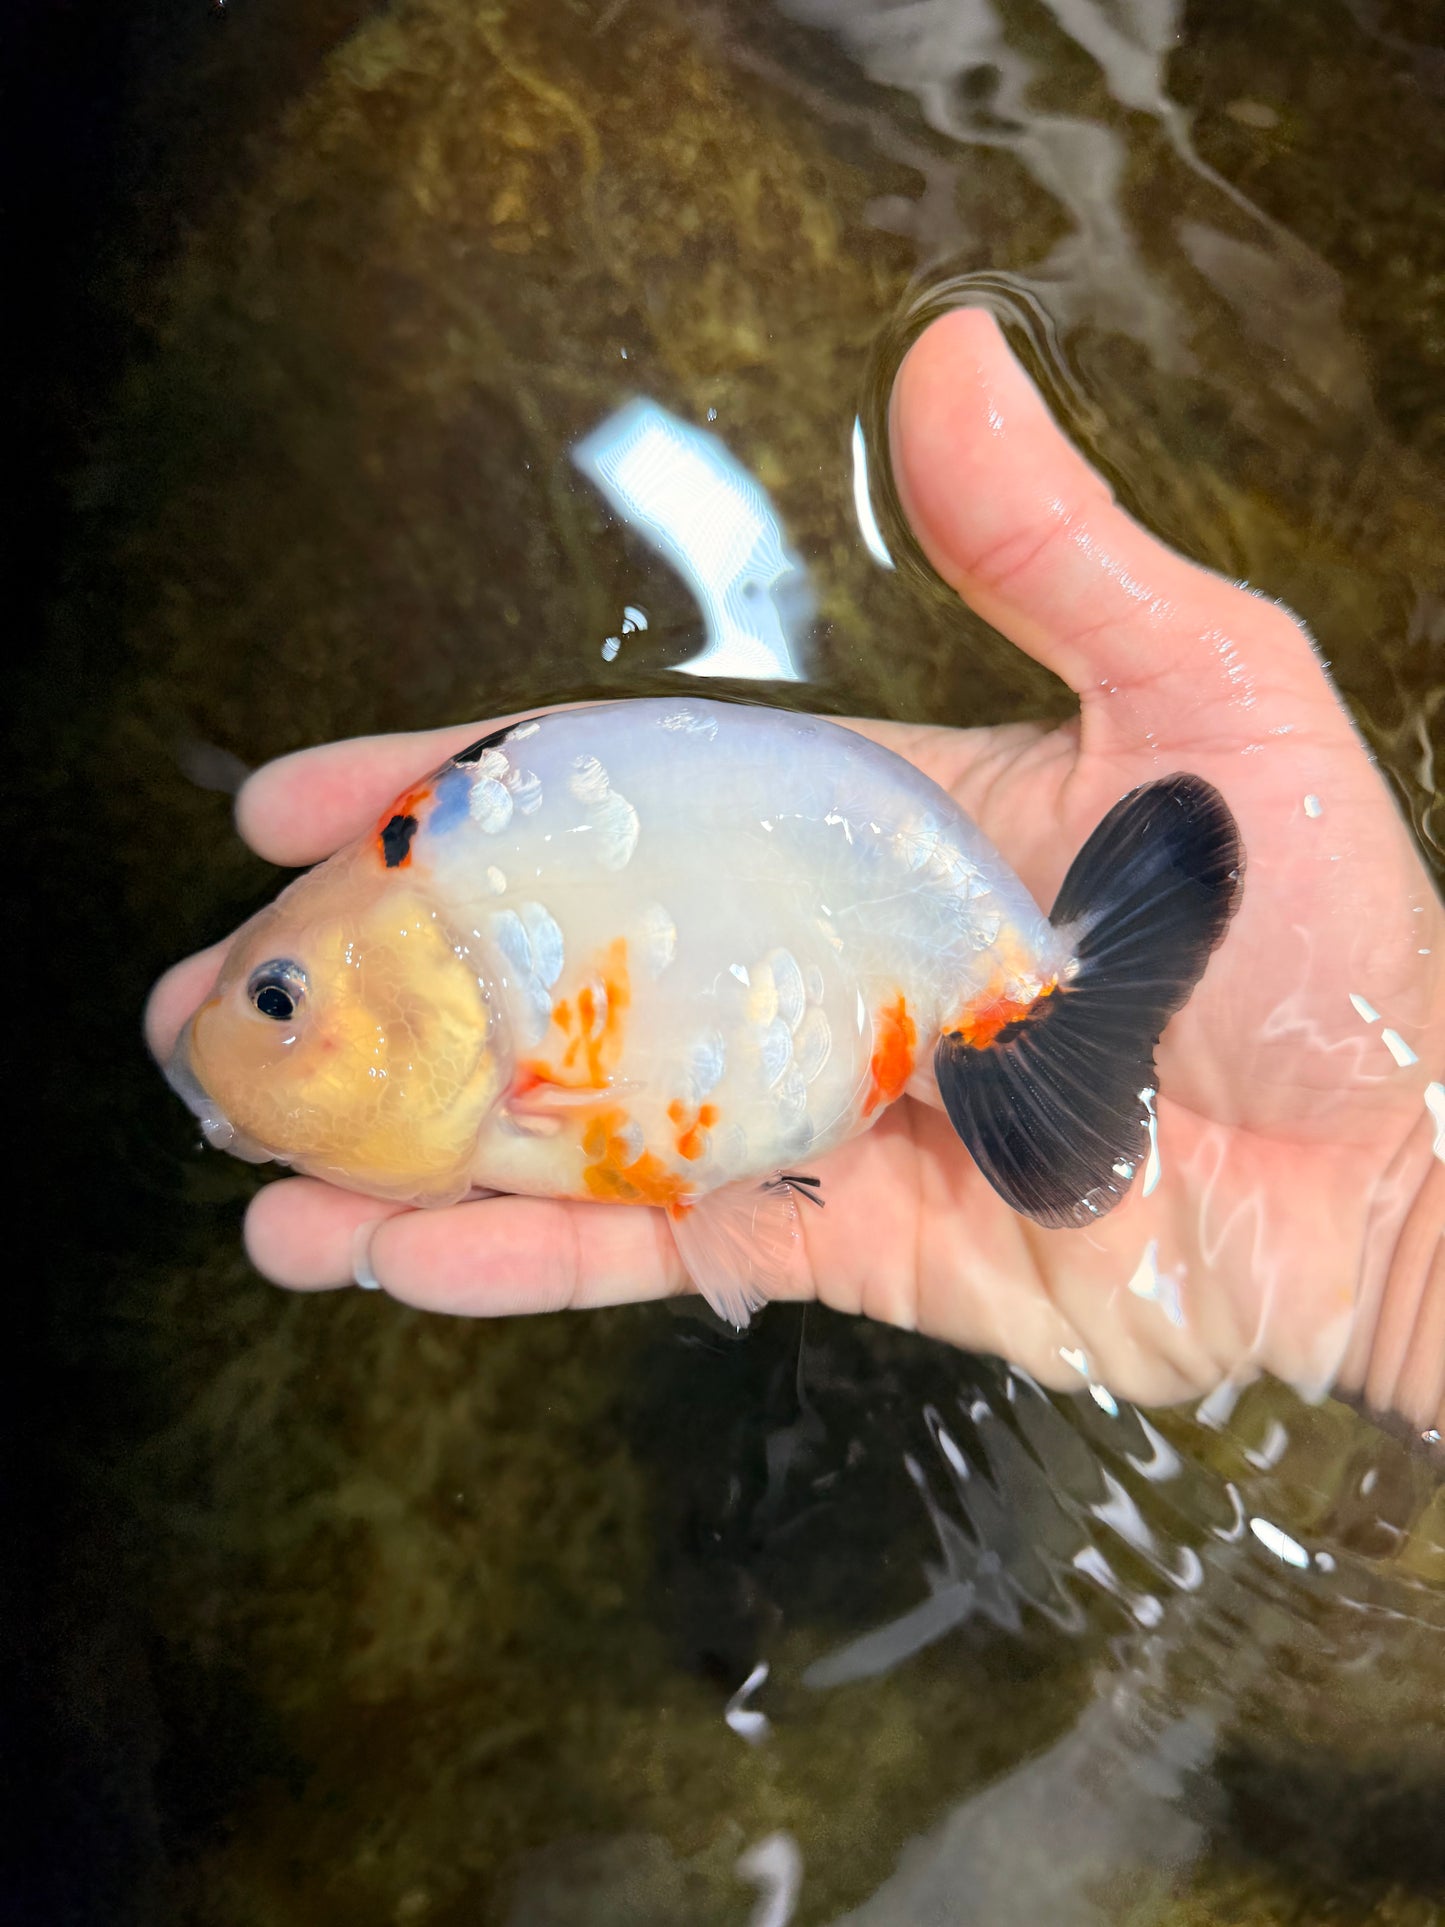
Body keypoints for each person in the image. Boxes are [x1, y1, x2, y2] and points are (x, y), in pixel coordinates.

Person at [146, 310, 1445, 1438]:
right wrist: (1393, 1256)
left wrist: (1405, 1218)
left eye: (280, 1000)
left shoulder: (499, 974)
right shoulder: (480, 963)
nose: (260, 1024)